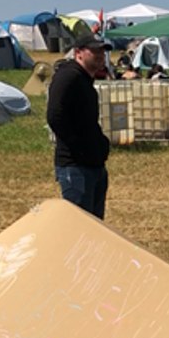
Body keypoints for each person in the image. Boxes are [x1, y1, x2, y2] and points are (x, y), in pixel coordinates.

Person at [47, 32, 112, 219]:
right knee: (79, 225)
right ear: (79, 53)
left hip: (94, 166)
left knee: (95, 227)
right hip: (75, 167)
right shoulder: (68, 76)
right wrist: (80, 148)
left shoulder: (84, 79)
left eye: (102, 51)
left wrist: (100, 145)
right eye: (94, 50)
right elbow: (55, 116)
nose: (100, 55)